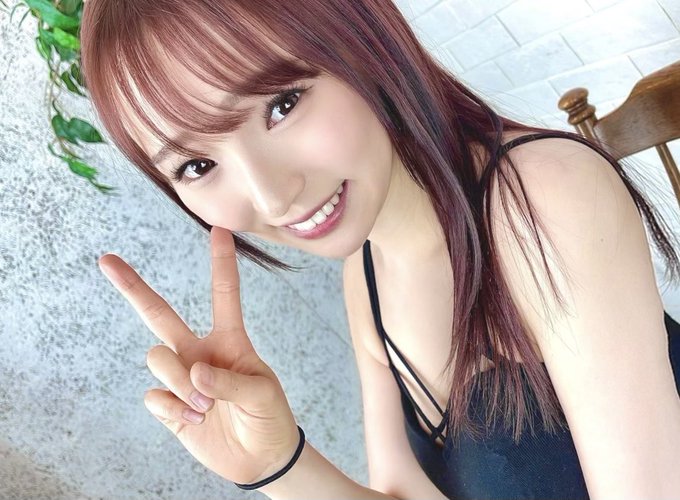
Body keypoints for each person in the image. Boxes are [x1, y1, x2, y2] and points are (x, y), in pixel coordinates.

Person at [81, 1, 680, 498]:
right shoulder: (364, 279)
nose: (270, 196)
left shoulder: (544, 202)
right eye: (197, 165)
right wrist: (278, 465)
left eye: (282, 105)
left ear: (361, 37)